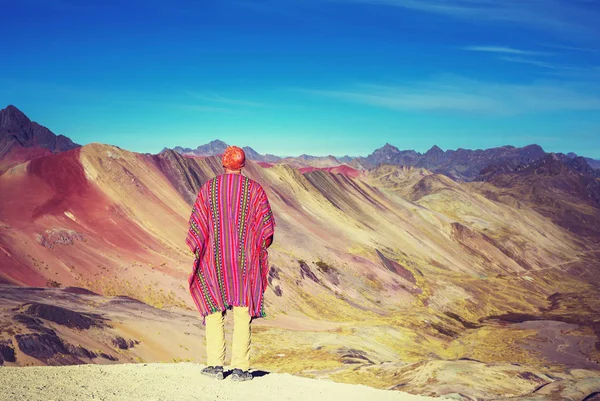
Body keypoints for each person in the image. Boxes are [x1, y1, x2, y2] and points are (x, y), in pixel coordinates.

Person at [186, 145, 276, 382]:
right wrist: (257, 246)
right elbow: (266, 230)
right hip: (244, 261)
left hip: (214, 260)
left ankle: (215, 366)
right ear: (243, 165)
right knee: (242, 312)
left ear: (223, 163)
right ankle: (240, 369)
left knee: (215, 311)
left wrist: (202, 247)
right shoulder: (255, 191)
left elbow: (197, 225)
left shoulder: (209, 189)